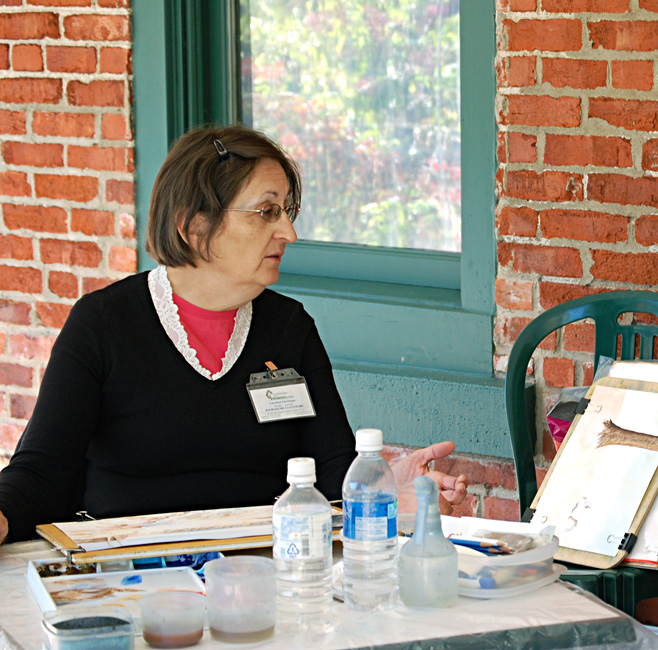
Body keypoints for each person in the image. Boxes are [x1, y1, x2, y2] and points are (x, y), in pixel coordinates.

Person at [0, 124, 466, 545]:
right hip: (131, 576)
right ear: (194, 226)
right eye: (265, 211)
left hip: (267, 569)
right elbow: (43, 473)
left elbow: (331, 473)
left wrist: (384, 488)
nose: (289, 231)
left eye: (287, 210)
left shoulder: (289, 327)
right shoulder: (103, 324)